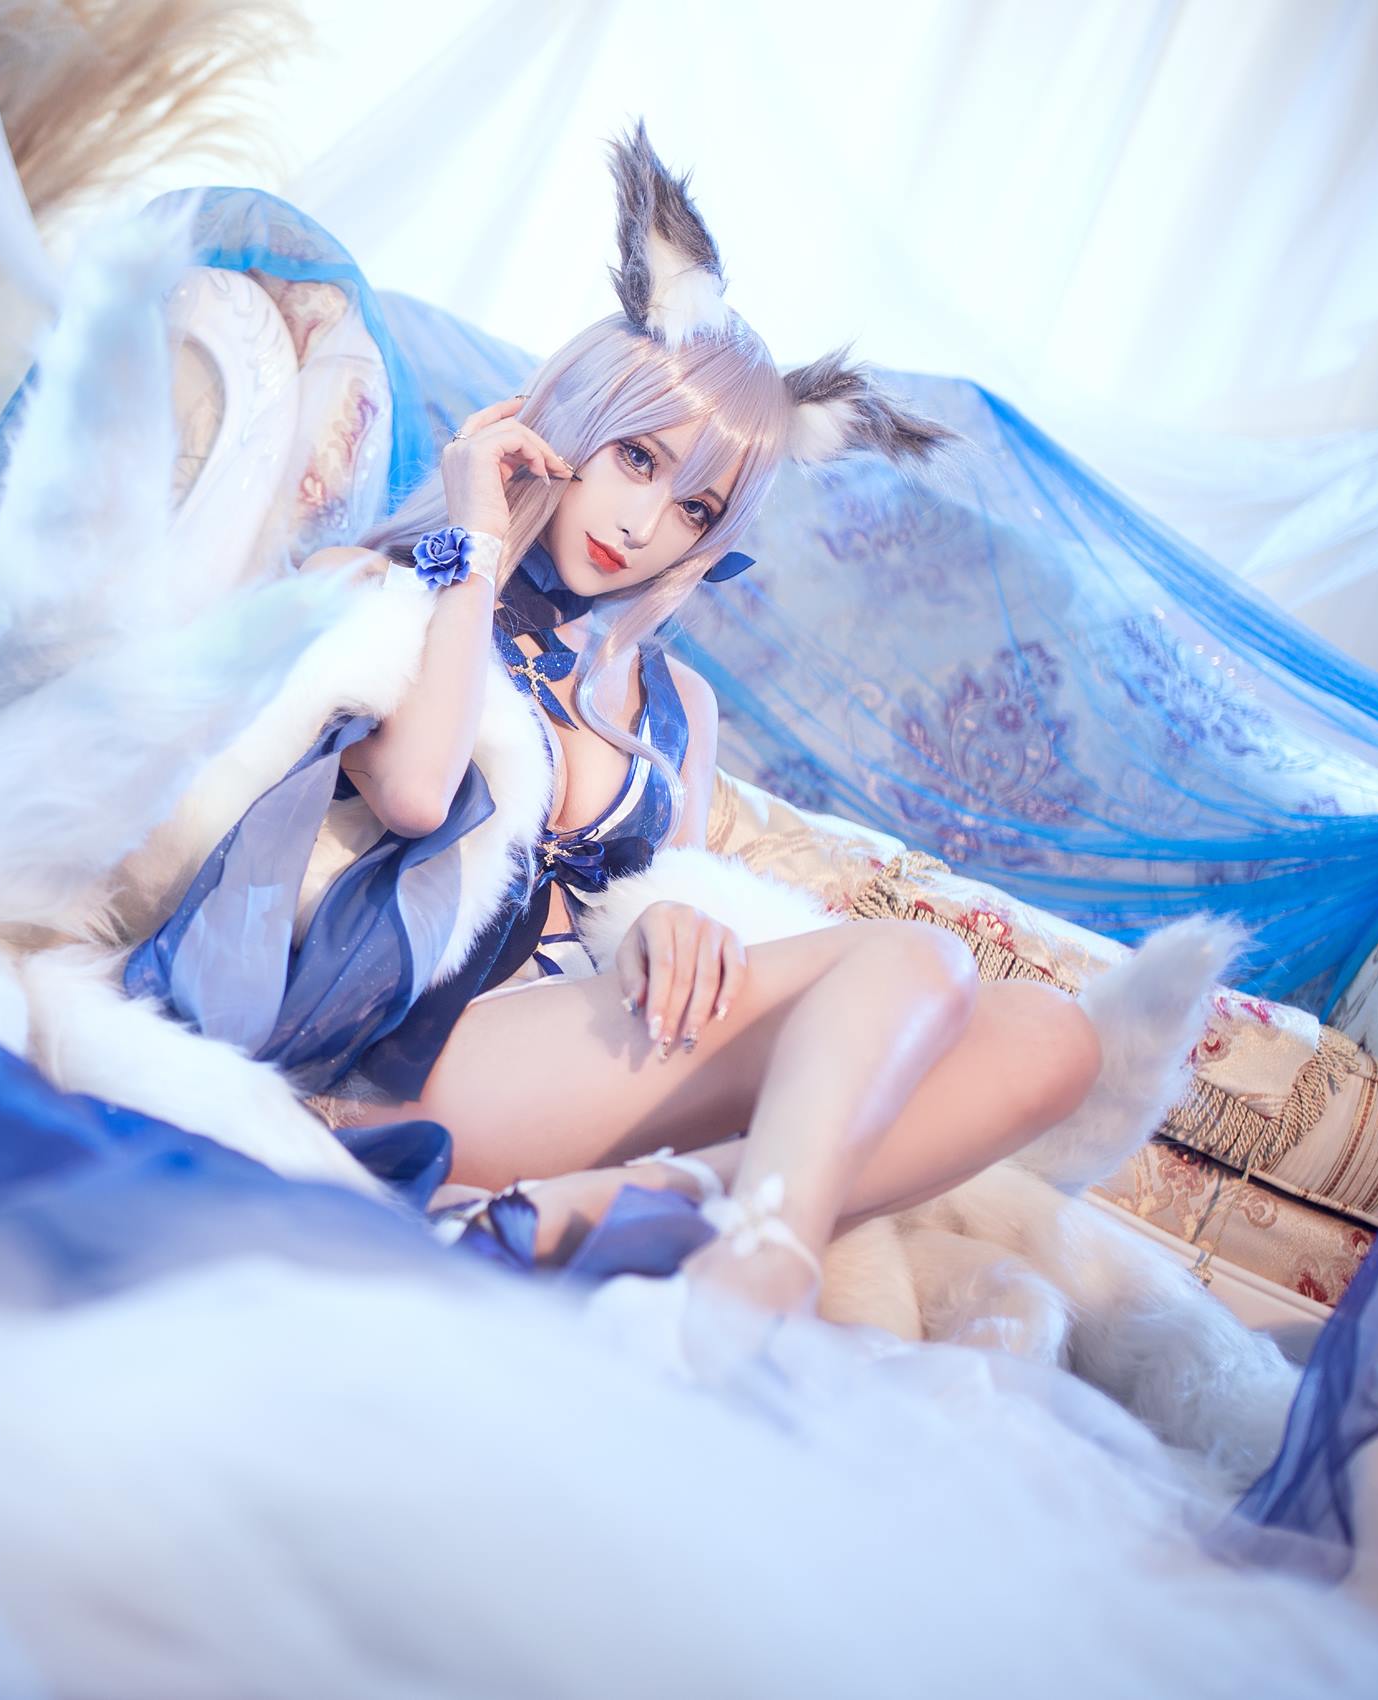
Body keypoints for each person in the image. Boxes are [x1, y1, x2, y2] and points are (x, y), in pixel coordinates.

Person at [292, 126, 1110, 1325]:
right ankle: (760, 1248)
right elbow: (417, 792)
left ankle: (598, 1209)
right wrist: (473, 532)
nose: (644, 522)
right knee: (919, 959)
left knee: (1052, 1040)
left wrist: (667, 919)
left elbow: (657, 903)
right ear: (573, 416)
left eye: (695, 507)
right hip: (407, 1050)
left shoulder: (680, 706)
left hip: (590, 1059)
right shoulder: (385, 589)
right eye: (636, 456)